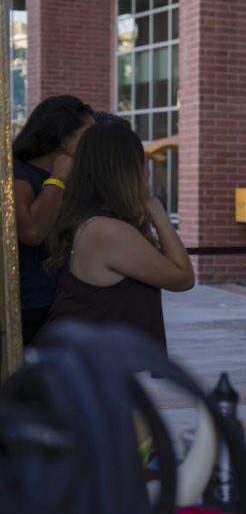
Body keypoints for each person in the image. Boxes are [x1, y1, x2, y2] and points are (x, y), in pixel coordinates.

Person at [42, 119, 195, 351]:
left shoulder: (92, 219)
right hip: (83, 368)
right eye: (142, 162)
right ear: (126, 169)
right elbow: (182, 278)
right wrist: (155, 209)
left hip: (81, 363)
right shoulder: (108, 231)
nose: (148, 172)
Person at [12, 95, 95, 344]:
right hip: (34, 303)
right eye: (86, 136)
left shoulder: (75, 177)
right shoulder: (17, 170)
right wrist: (58, 177)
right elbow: (31, 231)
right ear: (63, 138)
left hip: (68, 299)